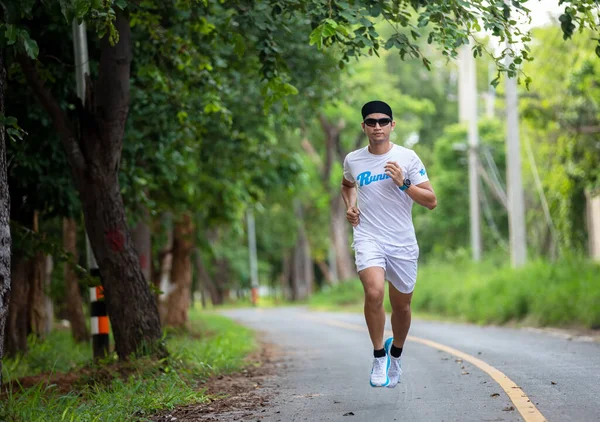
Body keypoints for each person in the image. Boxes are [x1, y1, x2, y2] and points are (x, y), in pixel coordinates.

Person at [341, 100, 437, 388]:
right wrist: (351, 206)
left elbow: (431, 201)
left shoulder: (407, 157)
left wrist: (404, 183)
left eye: (383, 121)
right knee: (373, 293)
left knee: (402, 307)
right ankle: (378, 355)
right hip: (368, 236)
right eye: (371, 122)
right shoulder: (353, 160)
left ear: (392, 125)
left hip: (402, 242)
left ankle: (396, 354)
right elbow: (347, 185)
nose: (378, 127)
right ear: (364, 127)